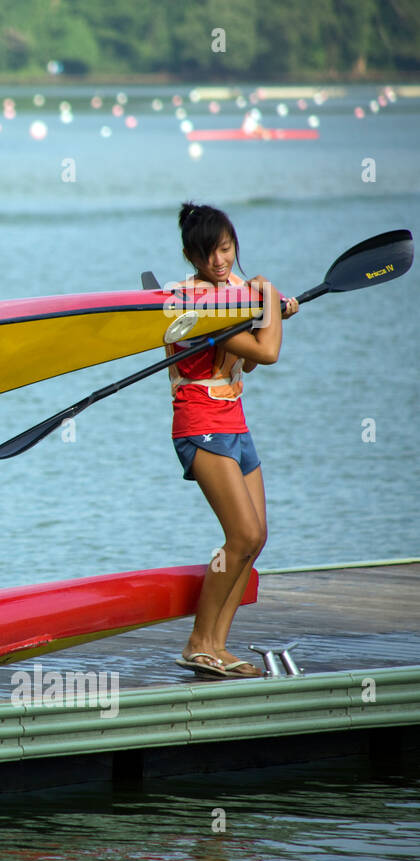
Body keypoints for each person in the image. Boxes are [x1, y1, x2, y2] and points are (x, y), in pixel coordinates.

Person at [169, 203, 298, 679]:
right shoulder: (197, 305)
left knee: (256, 537)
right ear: (190, 256)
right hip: (200, 424)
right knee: (240, 534)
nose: (219, 261)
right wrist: (269, 300)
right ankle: (198, 642)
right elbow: (269, 352)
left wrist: (272, 306)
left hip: (236, 422)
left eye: (225, 249)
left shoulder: (234, 292)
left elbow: (256, 355)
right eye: (207, 255)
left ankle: (215, 646)